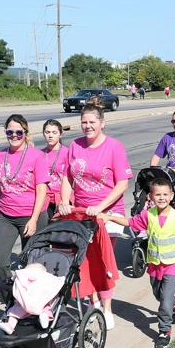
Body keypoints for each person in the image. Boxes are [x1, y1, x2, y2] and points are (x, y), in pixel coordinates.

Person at [59, 99, 132, 329]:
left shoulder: (114, 147)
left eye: (92, 121)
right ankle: (94, 303)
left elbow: (122, 184)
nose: (87, 126)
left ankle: (107, 307)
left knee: (103, 260)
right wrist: (63, 201)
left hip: (107, 213)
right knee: (86, 260)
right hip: (81, 213)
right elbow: (67, 178)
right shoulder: (75, 146)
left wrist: (101, 208)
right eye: (84, 122)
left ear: (102, 123)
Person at [99, 177, 175, 348]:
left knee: (163, 301)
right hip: (154, 265)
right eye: (158, 194)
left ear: (172, 195)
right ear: (150, 197)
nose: (162, 198)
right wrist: (109, 217)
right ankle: (174, 303)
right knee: (159, 295)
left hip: (173, 264)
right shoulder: (147, 215)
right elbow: (130, 222)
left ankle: (164, 331)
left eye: (165, 194)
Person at [0, 115, 49, 299]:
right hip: (6, 216)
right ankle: (12, 297)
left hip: (32, 216)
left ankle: (35, 302)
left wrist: (33, 219)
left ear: (25, 133)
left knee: (33, 265)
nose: (14, 135)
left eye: (18, 132)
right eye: (10, 132)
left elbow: (42, 190)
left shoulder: (37, 156)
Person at [0, 263, 65, 334]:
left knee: (14, 312)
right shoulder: (46, 277)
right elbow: (56, 282)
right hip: (40, 303)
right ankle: (44, 317)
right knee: (46, 307)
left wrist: (10, 280)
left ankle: (10, 325)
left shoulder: (23, 274)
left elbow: (12, 279)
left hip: (23, 304)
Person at [42, 119, 69, 218]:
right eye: (47, 132)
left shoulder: (68, 153)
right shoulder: (39, 154)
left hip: (63, 198)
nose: (50, 135)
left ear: (60, 134)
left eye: (54, 132)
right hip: (44, 198)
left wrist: (64, 200)